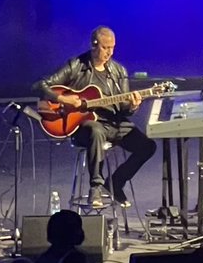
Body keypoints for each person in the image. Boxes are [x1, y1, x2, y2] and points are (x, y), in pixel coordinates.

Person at [34, 27, 156, 208]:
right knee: (96, 130)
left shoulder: (118, 71)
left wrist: (133, 105)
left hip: (113, 123)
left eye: (112, 47)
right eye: (106, 47)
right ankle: (95, 188)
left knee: (148, 146)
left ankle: (115, 182)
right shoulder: (76, 65)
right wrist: (62, 98)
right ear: (94, 45)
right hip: (84, 126)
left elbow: (123, 110)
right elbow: (40, 85)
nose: (110, 52)